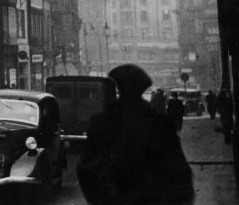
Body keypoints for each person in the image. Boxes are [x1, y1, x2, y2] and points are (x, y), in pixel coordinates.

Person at [77, 64, 194, 205]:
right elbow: (180, 173)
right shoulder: (161, 124)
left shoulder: (100, 123)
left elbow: (86, 169)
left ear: (118, 88)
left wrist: (99, 199)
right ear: (142, 89)